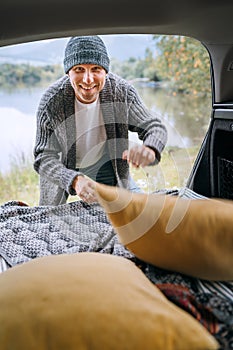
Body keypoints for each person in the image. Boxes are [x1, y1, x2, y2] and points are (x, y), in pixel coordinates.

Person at [33, 35, 167, 206]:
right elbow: (43, 158)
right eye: (79, 69)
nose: (88, 79)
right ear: (68, 72)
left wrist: (150, 147)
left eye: (96, 69)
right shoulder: (51, 102)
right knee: (53, 227)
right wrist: (74, 180)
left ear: (106, 71)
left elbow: (154, 127)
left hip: (106, 166)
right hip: (63, 171)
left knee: (139, 213)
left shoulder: (122, 92)